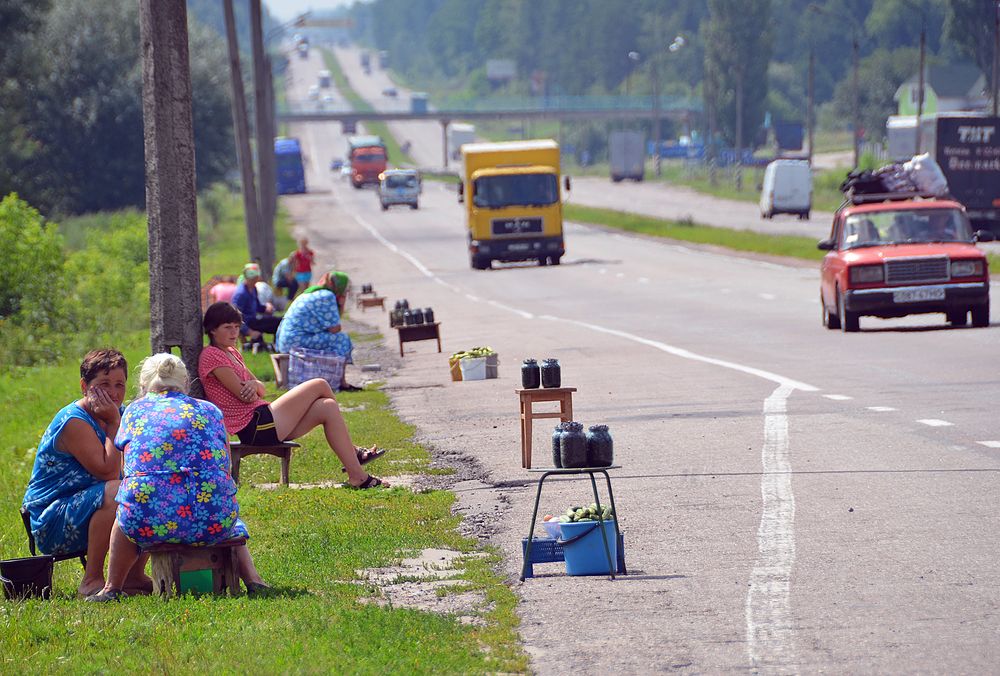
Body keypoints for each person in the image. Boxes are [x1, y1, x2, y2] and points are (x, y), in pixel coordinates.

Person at [88, 354, 269, 602]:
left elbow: (127, 472)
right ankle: (254, 581)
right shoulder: (210, 410)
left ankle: (111, 588)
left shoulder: (134, 411)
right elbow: (225, 466)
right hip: (213, 522)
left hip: (149, 522)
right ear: (186, 383)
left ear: (143, 386)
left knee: (124, 517)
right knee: (229, 515)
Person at [199, 302, 389, 489]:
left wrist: (254, 384)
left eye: (236, 327)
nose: (234, 332)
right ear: (212, 330)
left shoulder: (232, 352)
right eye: (227, 327)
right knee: (320, 384)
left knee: (327, 407)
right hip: (255, 425)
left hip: (264, 420)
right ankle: (353, 452)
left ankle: (357, 476)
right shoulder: (212, 355)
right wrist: (252, 387)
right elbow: (245, 396)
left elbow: (261, 389)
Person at [21, 349, 152, 597]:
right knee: (118, 491)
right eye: (103, 384)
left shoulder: (120, 413)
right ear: (84, 386)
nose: (113, 393)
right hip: (52, 519)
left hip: (87, 506)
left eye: (119, 385)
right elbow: (108, 472)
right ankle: (91, 580)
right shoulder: (74, 421)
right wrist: (114, 424)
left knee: (146, 488)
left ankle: (133, 576)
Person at [275, 270, 360, 392]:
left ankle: (336, 378)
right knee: (342, 339)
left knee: (334, 338)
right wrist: (342, 303)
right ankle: (341, 382)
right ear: (339, 287)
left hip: (287, 340)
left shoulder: (311, 292)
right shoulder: (327, 296)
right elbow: (335, 328)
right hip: (297, 341)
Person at [230, 263, 281, 344]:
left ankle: (277, 345)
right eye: (254, 277)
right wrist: (250, 332)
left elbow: (257, 307)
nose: (257, 279)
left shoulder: (253, 288)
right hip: (246, 324)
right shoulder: (241, 294)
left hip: (253, 320)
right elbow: (234, 317)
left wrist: (266, 309)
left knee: (279, 321)